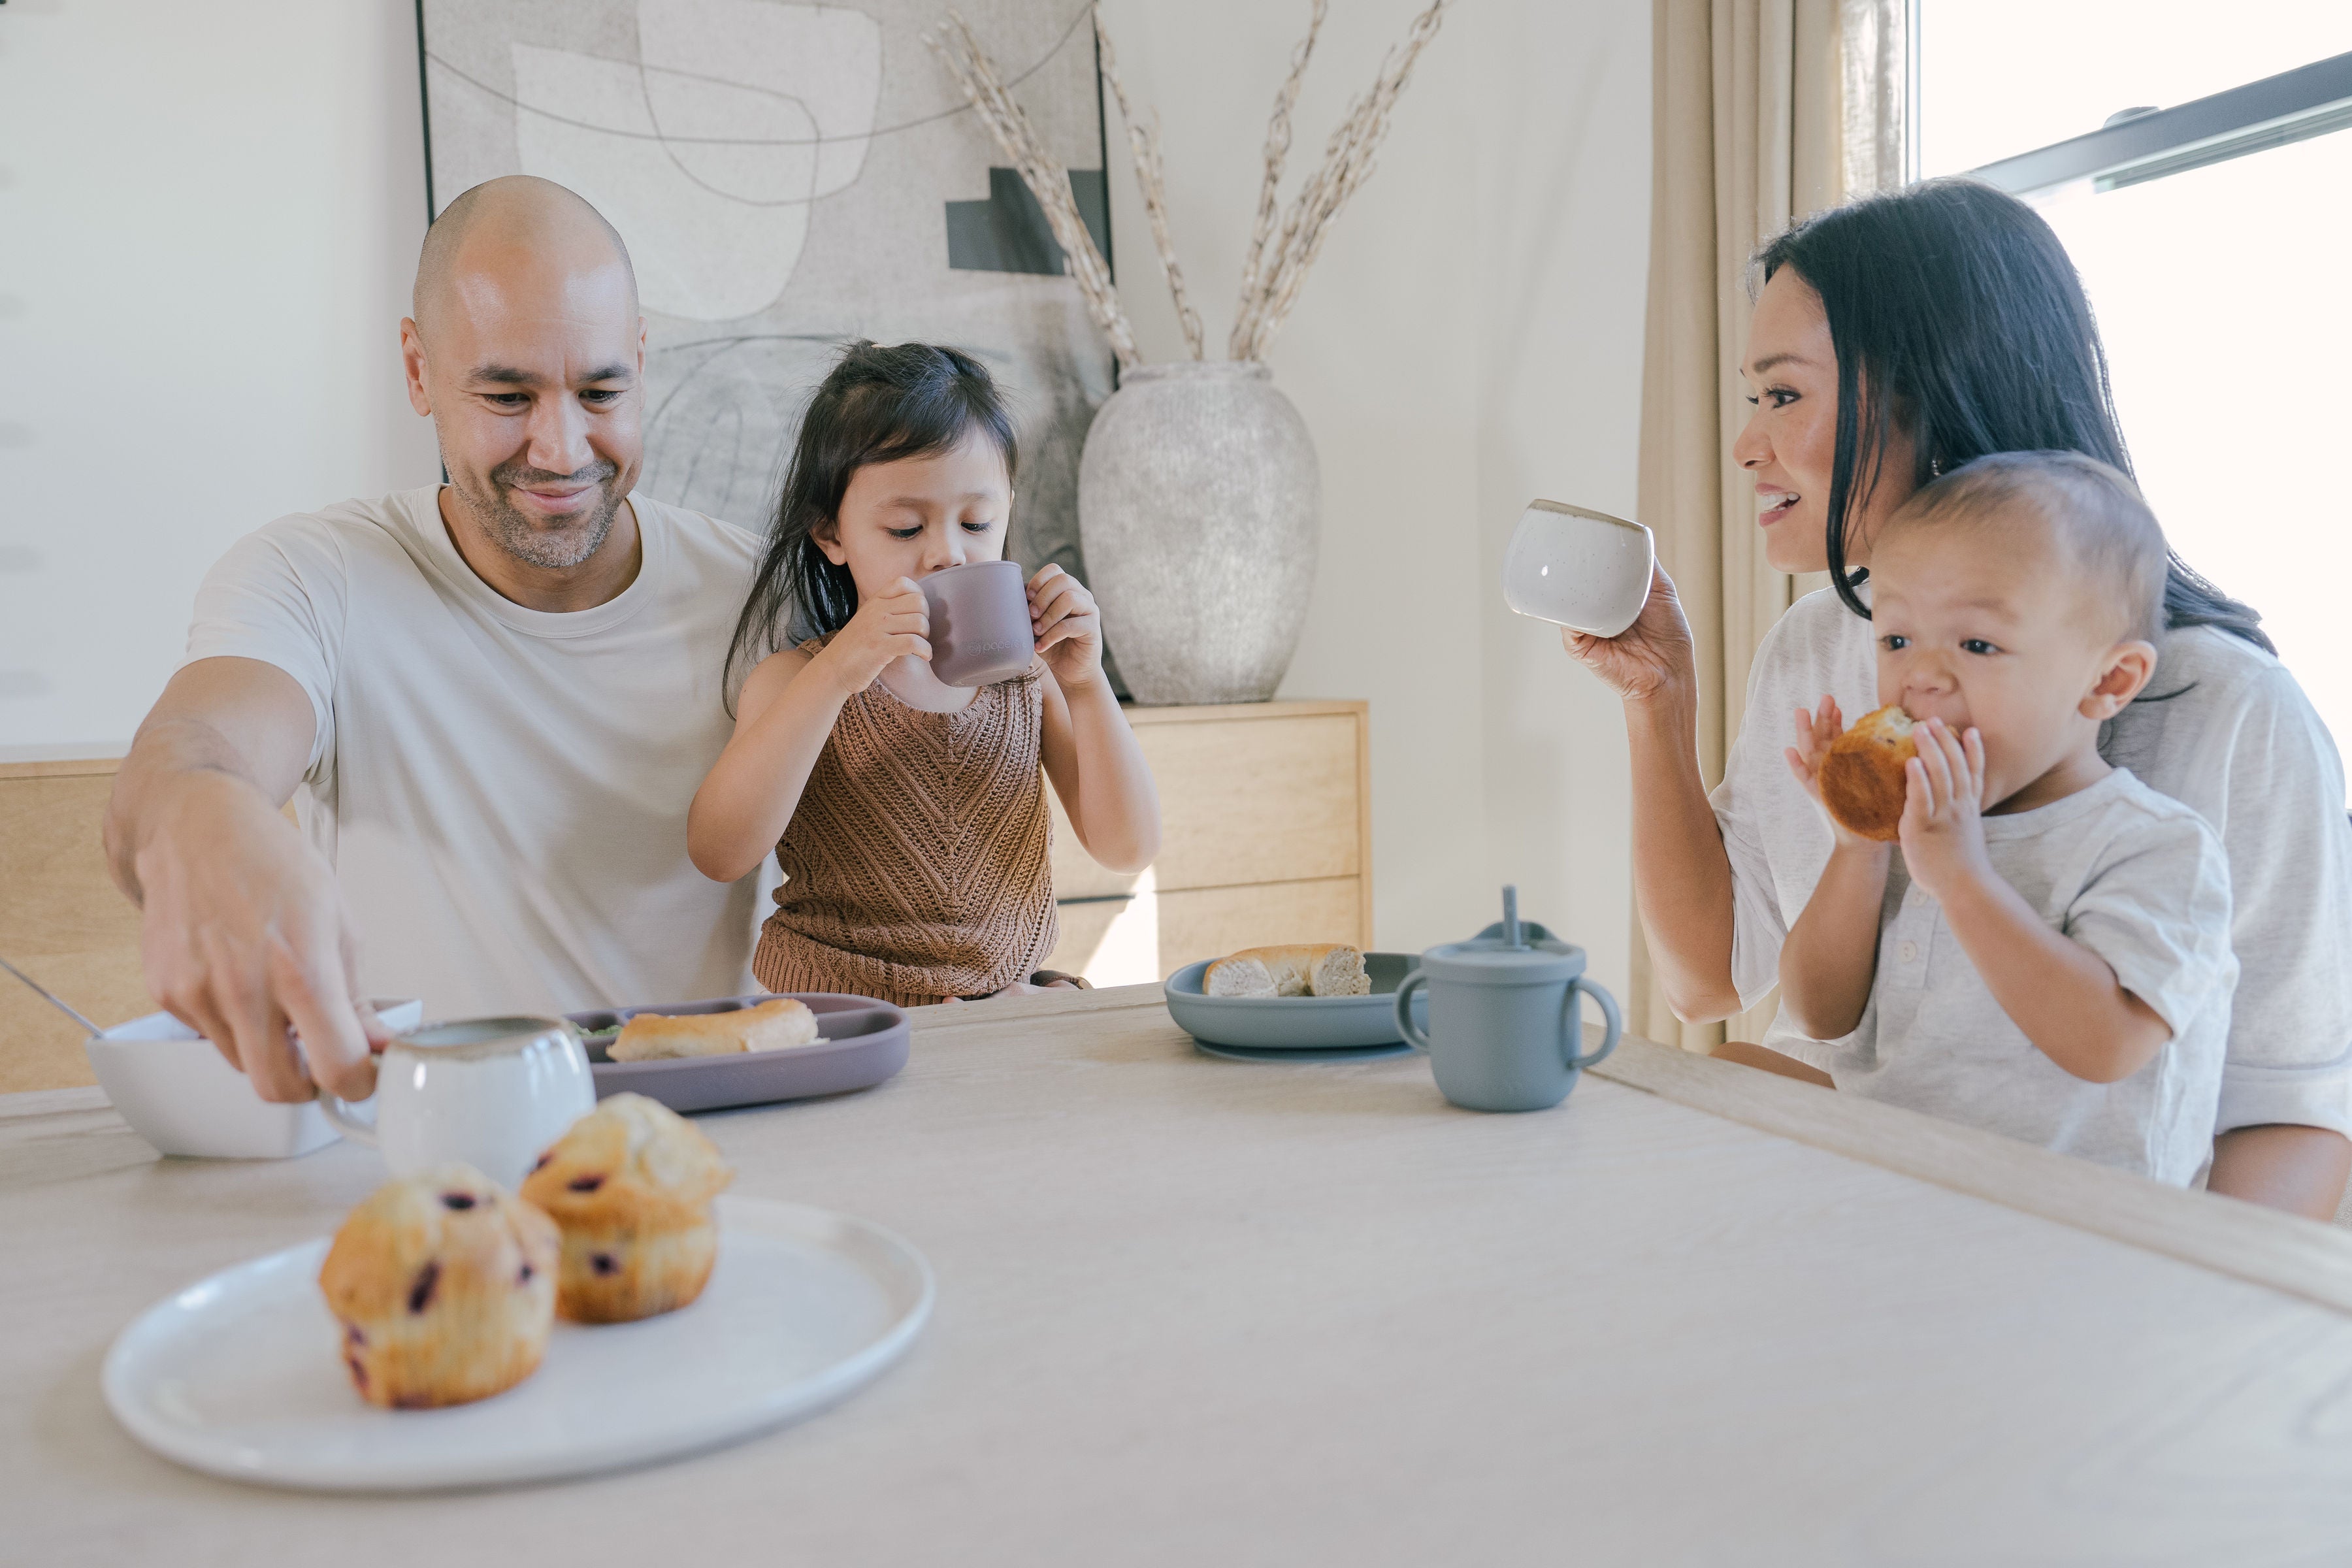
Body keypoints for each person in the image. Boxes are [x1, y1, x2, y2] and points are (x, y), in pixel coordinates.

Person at [1565, 178, 2352, 1217]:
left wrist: (2194, 1326)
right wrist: (1657, 703)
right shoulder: (1821, 648)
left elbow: (2291, 1109)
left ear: (1930, 392)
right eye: (1752, 400)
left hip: (2093, 1250)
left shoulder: (2230, 709)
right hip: (1858, 1196)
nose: (1748, 444)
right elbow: (1709, 981)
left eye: (1785, 395)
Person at [103, 175, 768, 1105]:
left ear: (643, 364)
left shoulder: (761, 593)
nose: (562, 449)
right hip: (427, 1152)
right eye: (507, 395)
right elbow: (191, 749)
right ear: (418, 371)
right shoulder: (314, 578)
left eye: (602, 389)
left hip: (729, 1144)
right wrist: (199, 817)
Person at [1778, 453, 2234, 1183]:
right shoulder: (1913, 825)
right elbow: (1817, 1016)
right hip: (1895, 1183)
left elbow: (2107, 1045)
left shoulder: (2156, 848)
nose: (1921, 675)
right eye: (1897, 640)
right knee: (1725, 1083)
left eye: (1978, 644)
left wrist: (1963, 881)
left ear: (2108, 681)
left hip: (2072, 1220)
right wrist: (1859, 846)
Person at [688, 342, 1160, 1004]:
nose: (947, 552)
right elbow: (719, 852)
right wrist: (836, 678)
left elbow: (1128, 847)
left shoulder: (1029, 680)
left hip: (1001, 1008)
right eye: (906, 528)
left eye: (976, 521)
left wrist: (1086, 685)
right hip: (845, 1014)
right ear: (832, 535)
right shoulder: (797, 679)